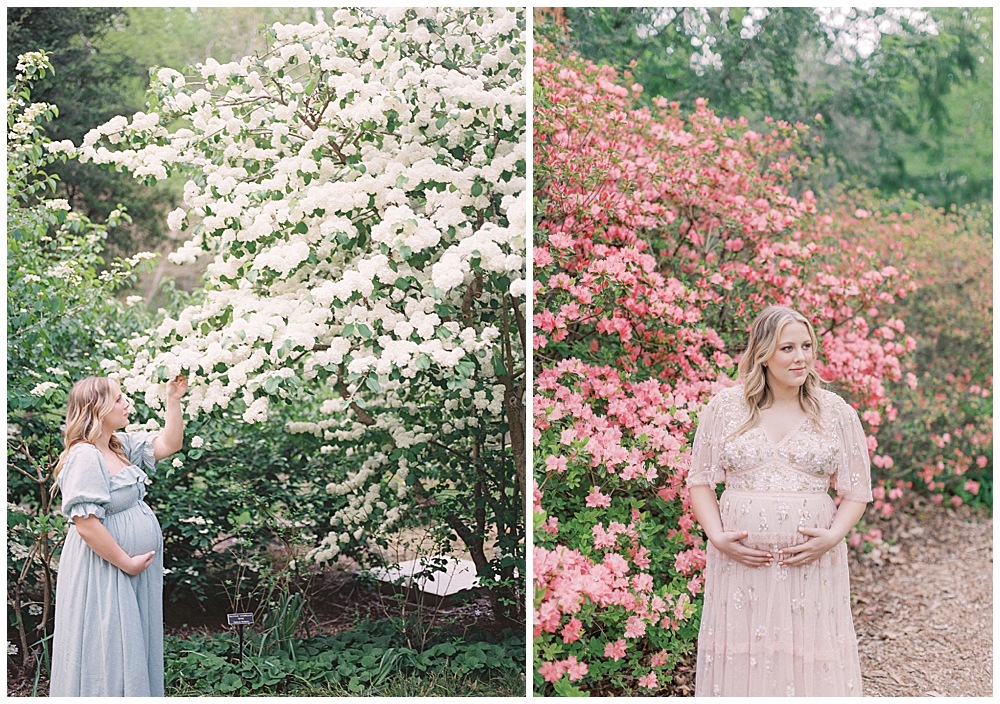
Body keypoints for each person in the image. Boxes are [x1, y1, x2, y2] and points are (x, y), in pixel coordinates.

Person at [687, 306, 872, 697]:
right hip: (740, 562)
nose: (801, 356)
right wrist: (717, 536)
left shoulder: (835, 411)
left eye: (806, 345)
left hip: (812, 563)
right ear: (763, 354)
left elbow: (857, 491)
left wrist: (833, 536)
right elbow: (700, 481)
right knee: (744, 653)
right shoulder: (725, 408)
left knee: (810, 650)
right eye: (787, 347)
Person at [49, 375, 188, 697]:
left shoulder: (118, 445)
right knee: (107, 643)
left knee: (128, 639)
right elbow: (86, 523)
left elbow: (171, 443)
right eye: (118, 398)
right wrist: (126, 562)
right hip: (106, 567)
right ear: (96, 408)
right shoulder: (85, 455)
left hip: (129, 567)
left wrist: (173, 400)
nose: (127, 404)